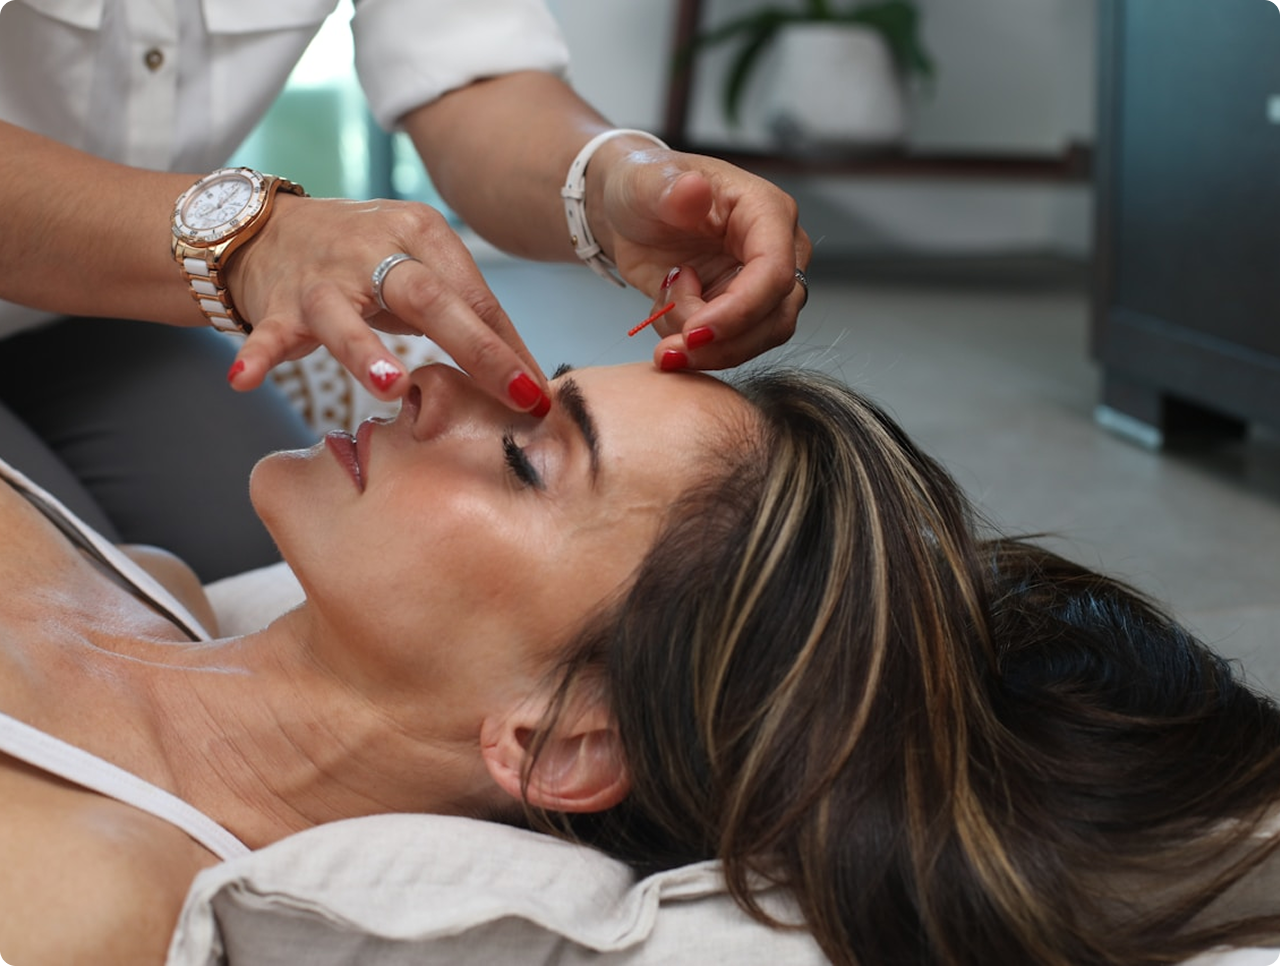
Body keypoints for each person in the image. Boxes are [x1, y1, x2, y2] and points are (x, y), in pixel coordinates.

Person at [2, 357, 1280, 966]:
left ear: (563, 741)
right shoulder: (154, 586)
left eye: (524, 461)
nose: (440, 384)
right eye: (528, 394)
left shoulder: (81, 891)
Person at [0, 0, 810, 581]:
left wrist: (614, 181)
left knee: (243, 560)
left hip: (94, 308)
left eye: (526, 462)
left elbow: (471, 74)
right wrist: (254, 242)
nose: (423, 380)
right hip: (124, 274)